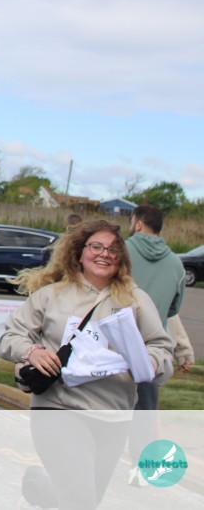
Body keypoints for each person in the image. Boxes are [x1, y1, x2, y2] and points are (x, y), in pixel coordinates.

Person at [0, 219, 173, 509]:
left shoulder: (136, 300)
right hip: (58, 408)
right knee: (80, 499)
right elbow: (11, 336)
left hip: (114, 415)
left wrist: (149, 363)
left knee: (86, 499)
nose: (105, 254)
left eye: (113, 249)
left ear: (121, 258)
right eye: (96, 247)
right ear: (79, 253)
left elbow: (162, 349)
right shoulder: (51, 296)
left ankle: (40, 488)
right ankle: (45, 489)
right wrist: (33, 352)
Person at [124, 204, 185, 484]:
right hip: (151, 348)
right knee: (145, 413)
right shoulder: (176, 264)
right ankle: (140, 472)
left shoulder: (120, 251)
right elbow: (174, 309)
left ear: (138, 224)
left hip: (115, 343)